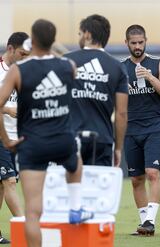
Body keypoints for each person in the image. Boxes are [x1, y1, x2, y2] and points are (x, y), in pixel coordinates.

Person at [0, 19, 94, 247]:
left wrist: (6, 140)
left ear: (31, 42)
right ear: (53, 40)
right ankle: (75, 207)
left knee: (33, 212)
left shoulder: (18, 71)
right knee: (75, 164)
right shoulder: (68, 66)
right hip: (62, 138)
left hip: (32, 143)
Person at [122, 24, 160, 236]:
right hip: (130, 129)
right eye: (133, 43)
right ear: (126, 43)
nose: (137, 47)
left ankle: (151, 220)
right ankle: (145, 224)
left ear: (146, 41)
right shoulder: (121, 68)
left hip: (154, 126)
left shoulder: (158, 63)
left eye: (141, 42)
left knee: (153, 173)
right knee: (136, 179)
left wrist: (151, 77)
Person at [64, 14, 128, 167]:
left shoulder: (65, 61)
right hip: (102, 141)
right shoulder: (117, 67)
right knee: (97, 190)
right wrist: (118, 148)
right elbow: (121, 113)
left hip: (69, 139)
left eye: (79, 34)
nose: (79, 37)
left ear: (87, 34)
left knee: (69, 189)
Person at [0, 31, 30, 244]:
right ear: (11, 49)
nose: (24, 57)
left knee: (2, 186)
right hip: (0, 135)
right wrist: (8, 110)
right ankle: (26, 227)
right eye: (22, 53)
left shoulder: (22, 72)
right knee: (9, 181)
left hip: (16, 136)